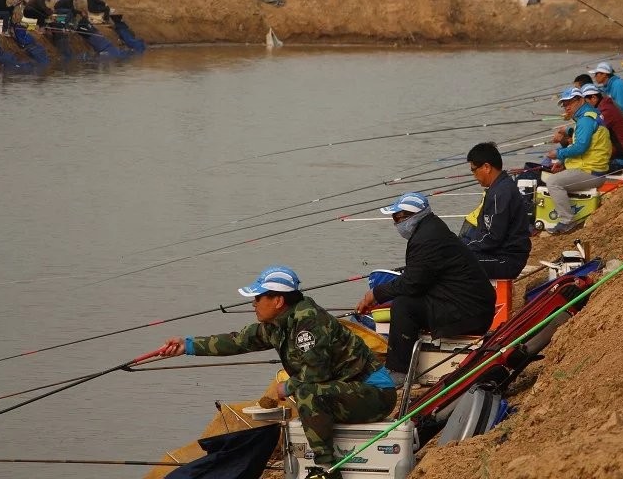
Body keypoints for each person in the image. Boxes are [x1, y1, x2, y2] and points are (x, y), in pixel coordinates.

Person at [159, 265, 396, 479]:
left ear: (278, 301)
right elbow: (237, 341)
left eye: (258, 297)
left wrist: (284, 387)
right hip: (344, 391)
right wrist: (187, 346)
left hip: (375, 393)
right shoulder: (278, 324)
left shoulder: (309, 324)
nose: (253, 303)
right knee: (305, 391)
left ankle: (327, 470)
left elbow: (315, 375)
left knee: (306, 392)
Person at [355, 192, 496, 381]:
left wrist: (375, 294)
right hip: (471, 306)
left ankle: (399, 371)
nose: (395, 223)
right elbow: (420, 276)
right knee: (406, 300)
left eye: (397, 218)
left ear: (412, 217)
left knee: (404, 305)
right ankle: (404, 359)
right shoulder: (432, 229)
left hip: (468, 312)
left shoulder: (426, 238)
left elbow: (413, 284)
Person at [543, 87, 611, 235]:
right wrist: (563, 161)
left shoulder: (585, 120)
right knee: (553, 175)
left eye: (570, 102)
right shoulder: (588, 115)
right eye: (564, 104)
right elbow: (582, 145)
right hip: (592, 168)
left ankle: (567, 221)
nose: (567, 107)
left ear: (580, 100)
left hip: (592, 172)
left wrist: (559, 154)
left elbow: (580, 147)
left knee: (552, 182)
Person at [459, 142, 532, 278]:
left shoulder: (501, 193)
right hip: (497, 253)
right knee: (453, 253)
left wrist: (464, 249)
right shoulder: (497, 189)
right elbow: (483, 230)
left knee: (456, 262)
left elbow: (492, 237)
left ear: (486, 167)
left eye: (474, 170)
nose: (474, 176)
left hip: (507, 260)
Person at [580, 83, 623, 168]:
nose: (584, 107)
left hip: (621, 159)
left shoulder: (605, 111)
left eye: (585, 103)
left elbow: (589, 132)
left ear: (593, 98)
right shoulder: (606, 105)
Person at [589, 61, 623, 128]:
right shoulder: (607, 86)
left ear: (604, 74)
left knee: (604, 125)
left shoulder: (618, 85)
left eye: (596, 74)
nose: (594, 77)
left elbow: (622, 109)